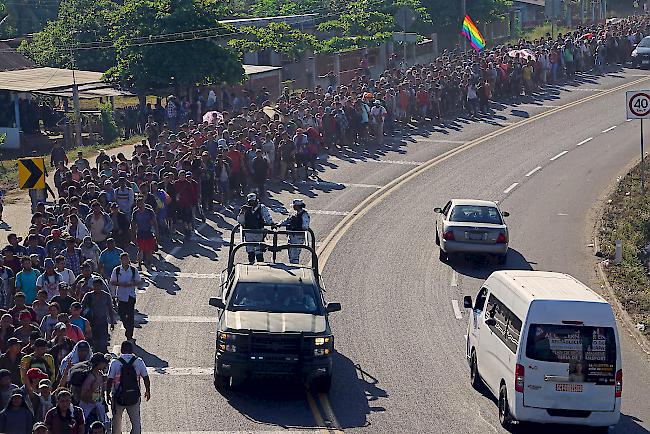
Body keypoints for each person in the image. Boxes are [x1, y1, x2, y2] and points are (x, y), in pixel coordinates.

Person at [107, 341, 150, 434]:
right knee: (136, 423)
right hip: (134, 396)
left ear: (121, 350)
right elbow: (146, 378)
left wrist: (107, 394)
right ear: (132, 350)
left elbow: (109, 380)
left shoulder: (115, 362)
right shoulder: (139, 361)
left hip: (118, 396)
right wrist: (147, 391)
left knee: (116, 423)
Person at [110, 253, 141, 343]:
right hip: (121, 296)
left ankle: (129, 335)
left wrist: (131, 284)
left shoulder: (133, 270)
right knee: (122, 315)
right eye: (123, 259)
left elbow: (139, 282)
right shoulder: (117, 270)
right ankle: (127, 328)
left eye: (126, 259)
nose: (125, 261)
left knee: (130, 316)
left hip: (131, 296)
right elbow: (112, 282)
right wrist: (121, 284)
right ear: (121, 260)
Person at [237, 193, 274, 263]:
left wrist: (271, 223)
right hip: (248, 232)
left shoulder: (261, 207)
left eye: (253, 201)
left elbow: (267, 216)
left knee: (258, 251)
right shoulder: (245, 208)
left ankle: (260, 266)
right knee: (250, 251)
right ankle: (251, 264)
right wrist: (242, 212)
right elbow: (240, 221)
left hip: (259, 232)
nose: (251, 203)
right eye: (250, 201)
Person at [81, 279, 115, 352]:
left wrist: (112, 322)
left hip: (103, 322)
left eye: (98, 286)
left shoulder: (106, 295)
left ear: (101, 286)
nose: (96, 288)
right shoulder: (88, 296)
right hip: (91, 323)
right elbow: (82, 308)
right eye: (95, 286)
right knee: (93, 342)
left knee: (103, 342)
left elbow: (110, 309)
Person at [79, 353, 108, 428]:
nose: (105, 364)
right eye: (103, 363)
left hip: (97, 405)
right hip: (87, 407)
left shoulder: (100, 375)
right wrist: (92, 389)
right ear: (98, 364)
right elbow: (83, 397)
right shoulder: (90, 378)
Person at [279, 199, 311, 264]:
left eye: (294, 205)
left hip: (298, 237)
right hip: (291, 236)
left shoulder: (304, 215)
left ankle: (295, 268)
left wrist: (296, 227)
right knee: (291, 253)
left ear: (298, 206)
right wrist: (279, 224)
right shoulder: (294, 214)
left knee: (295, 255)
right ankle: (292, 264)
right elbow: (287, 220)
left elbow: (305, 226)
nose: (293, 207)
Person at [130, 196, 158, 268]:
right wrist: (133, 235)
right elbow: (133, 224)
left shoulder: (149, 211)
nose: (141, 206)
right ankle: (139, 263)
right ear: (137, 205)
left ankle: (149, 262)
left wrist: (156, 232)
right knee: (140, 249)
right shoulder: (135, 213)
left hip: (149, 232)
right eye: (139, 204)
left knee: (149, 249)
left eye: (142, 204)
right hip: (140, 232)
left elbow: (154, 222)